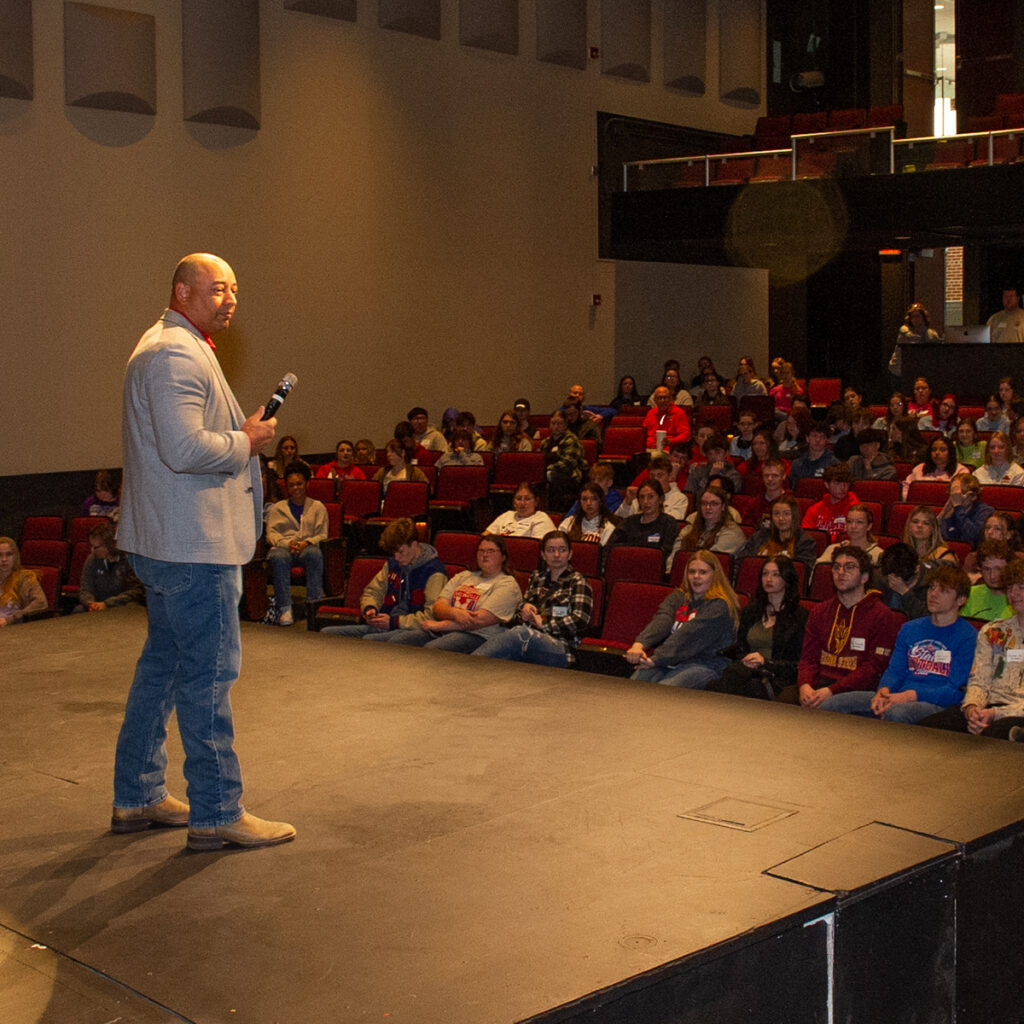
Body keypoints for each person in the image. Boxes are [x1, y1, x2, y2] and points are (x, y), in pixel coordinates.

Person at [113, 252, 294, 850]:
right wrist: (247, 440)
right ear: (183, 291)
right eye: (218, 288)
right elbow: (185, 450)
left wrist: (235, 431)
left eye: (235, 288)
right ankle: (217, 809)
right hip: (193, 546)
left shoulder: (168, 345)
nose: (230, 298)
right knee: (208, 676)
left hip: (169, 540)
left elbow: (182, 439)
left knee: (162, 668)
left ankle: (137, 794)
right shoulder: (174, 353)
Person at [820, 564, 975, 723]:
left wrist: (909, 696)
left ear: (961, 599)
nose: (933, 594)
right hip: (896, 695)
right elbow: (894, 671)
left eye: (943, 591)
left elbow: (955, 690)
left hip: (934, 703)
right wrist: (883, 690)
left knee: (896, 713)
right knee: (830, 704)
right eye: (932, 588)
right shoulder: (909, 629)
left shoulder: (968, 637)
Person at [780, 546, 900, 707]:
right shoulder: (819, 611)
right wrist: (805, 686)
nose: (841, 572)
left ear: (864, 577)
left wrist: (832, 690)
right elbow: (808, 659)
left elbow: (873, 668)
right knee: (785, 699)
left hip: (856, 690)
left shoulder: (881, 615)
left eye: (850, 567)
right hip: (820, 684)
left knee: (828, 705)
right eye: (836, 567)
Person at [919, 559, 1024, 738]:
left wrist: (994, 715)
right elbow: (978, 680)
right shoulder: (993, 631)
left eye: (1021, 587)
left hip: (1017, 712)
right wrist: (972, 708)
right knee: (927, 728)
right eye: (1009, 588)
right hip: (988, 706)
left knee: (996, 734)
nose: (1013, 594)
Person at [471, 531, 593, 667]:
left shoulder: (578, 582)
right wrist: (524, 609)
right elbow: (520, 608)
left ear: (570, 554)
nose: (557, 555)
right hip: (529, 639)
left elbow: (580, 619)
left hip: (562, 648)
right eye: (551, 550)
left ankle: (472, 665)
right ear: (543, 554)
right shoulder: (536, 578)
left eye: (562, 550)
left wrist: (544, 624)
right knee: (507, 642)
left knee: (519, 634)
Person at [624, 549, 739, 688]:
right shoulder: (678, 597)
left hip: (704, 664)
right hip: (670, 660)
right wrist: (639, 644)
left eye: (703, 572)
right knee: (634, 685)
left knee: (664, 691)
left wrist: (657, 659)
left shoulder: (719, 605)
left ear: (715, 575)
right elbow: (662, 620)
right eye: (692, 572)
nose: (696, 576)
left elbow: (689, 635)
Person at [322, 517, 447, 641]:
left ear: (414, 545)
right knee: (327, 633)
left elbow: (432, 616)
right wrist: (370, 608)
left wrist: (395, 622)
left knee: (372, 640)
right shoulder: (392, 565)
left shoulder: (434, 572)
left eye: (400, 552)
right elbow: (373, 591)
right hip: (386, 625)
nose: (397, 558)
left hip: (415, 630)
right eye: (394, 553)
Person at [707, 557, 809, 699]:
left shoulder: (799, 616)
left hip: (777, 677)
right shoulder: (752, 611)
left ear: (787, 578)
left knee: (737, 683)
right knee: (722, 679)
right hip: (748, 671)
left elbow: (798, 664)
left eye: (776, 574)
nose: (768, 579)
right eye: (765, 574)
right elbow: (740, 647)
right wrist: (746, 659)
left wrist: (765, 662)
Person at [418, 534, 523, 652]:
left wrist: (440, 625)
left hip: (479, 636)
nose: (485, 555)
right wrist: (454, 612)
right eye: (481, 551)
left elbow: (477, 621)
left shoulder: (507, 584)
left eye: (491, 551)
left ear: (503, 557)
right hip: (447, 630)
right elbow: (437, 607)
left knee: (430, 649)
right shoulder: (465, 576)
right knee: (401, 638)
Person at [265, 461, 328, 626]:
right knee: (279, 557)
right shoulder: (277, 508)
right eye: (291, 485)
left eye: (299, 484)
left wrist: (306, 543)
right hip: (283, 547)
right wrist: (288, 544)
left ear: (307, 484)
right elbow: (271, 534)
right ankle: (285, 608)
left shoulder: (318, 507)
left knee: (315, 553)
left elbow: (322, 535)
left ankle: (314, 605)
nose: (296, 488)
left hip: (307, 547)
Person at [608, 479, 680, 571]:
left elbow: (665, 553)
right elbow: (611, 548)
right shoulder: (628, 522)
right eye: (642, 497)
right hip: (626, 568)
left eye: (650, 497)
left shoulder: (669, 523)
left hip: (653, 570)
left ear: (661, 499)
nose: (645, 501)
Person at [75, 522, 144, 613]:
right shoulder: (91, 560)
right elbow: (85, 588)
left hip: (121, 604)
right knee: (78, 610)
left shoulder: (128, 559)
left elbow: (136, 591)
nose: (91, 550)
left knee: (131, 608)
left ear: (108, 546)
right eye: (90, 546)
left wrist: (107, 604)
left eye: (95, 547)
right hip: (97, 603)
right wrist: (91, 603)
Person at [675, 484, 746, 559]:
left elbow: (710, 560)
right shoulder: (689, 528)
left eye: (714, 504)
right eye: (704, 503)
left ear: (723, 507)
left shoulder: (732, 532)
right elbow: (675, 556)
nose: (708, 507)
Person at [540, 409, 587, 512]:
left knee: (556, 482)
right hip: (548, 475)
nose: (556, 427)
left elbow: (568, 463)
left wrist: (549, 470)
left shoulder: (572, 440)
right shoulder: (545, 442)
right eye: (553, 423)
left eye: (560, 424)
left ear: (566, 425)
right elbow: (538, 461)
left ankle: (556, 512)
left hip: (570, 476)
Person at [800, 464, 859, 543]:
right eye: (837, 483)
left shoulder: (856, 509)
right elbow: (806, 536)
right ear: (827, 485)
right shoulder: (815, 509)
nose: (843, 488)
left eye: (846, 483)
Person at [888, 302, 940, 389]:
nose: (916, 319)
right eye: (913, 317)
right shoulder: (904, 330)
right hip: (899, 372)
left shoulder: (929, 332)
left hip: (918, 372)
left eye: (918, 316)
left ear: (923, 317)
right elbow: (914, 339)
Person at [960, 540, 1014, 621]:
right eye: (987, 569)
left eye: (998, 569)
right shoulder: (970, 594)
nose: (992, 576)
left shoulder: (1018, 597)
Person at [0, 537, 48, 625]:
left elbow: (41, 603)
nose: (4, 559)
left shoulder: (26, 578)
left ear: (16, 556)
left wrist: (11, 619)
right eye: (0, 555)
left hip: (12, 627)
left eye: (8, 554)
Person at [817, 503, 884, 565]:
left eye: (859, 522)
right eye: (849, 521)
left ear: (869, 526)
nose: (853, 526)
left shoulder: (878, 555)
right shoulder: (832, 549)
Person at [937, 473, 994, 545]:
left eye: (961, 493)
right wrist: (943, 515)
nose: (955, 496)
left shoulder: (985, 511)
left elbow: (973, 537)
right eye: (953, 492)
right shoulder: (950, 512)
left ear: (973, 496)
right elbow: (939, 539)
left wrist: (958, 507)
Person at [485, 481, 556, 538]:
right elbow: (485, 537)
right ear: (514, 502)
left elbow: (538, 546)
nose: (522, 503)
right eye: (519, 499)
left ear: (536, 502)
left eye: (527, 499)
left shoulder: (541, 518)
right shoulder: (506, 515)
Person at [901, 435, 960, 500]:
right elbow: (905, 488)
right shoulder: (920, 468)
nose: (937, 453)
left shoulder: (960, 471)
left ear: (950, 453)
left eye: (942, 450)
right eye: (934, 450)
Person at [904, 504, 957, 569]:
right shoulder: (901, 552)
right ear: (909, 526)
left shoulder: (944, 555)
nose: (919, 526)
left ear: (933, 528)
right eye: (915, 522)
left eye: (926, 523)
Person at [788, 423, 838, 488]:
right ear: (807, 438)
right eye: (814, 436)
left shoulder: (834, 465)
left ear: (827, 440)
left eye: (822, 437)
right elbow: (792, 489)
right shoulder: (797, 464)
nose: (818, 440)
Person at [643, 386, 691, 450]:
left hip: (670, 449)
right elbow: (643, 432)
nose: (663, 400)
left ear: (670, 399)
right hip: (650, 448)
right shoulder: (651, 413)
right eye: (660, 398)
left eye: (665, 398)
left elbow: (685, 434)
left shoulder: (679, 413)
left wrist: (671, 441)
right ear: (655, 400)